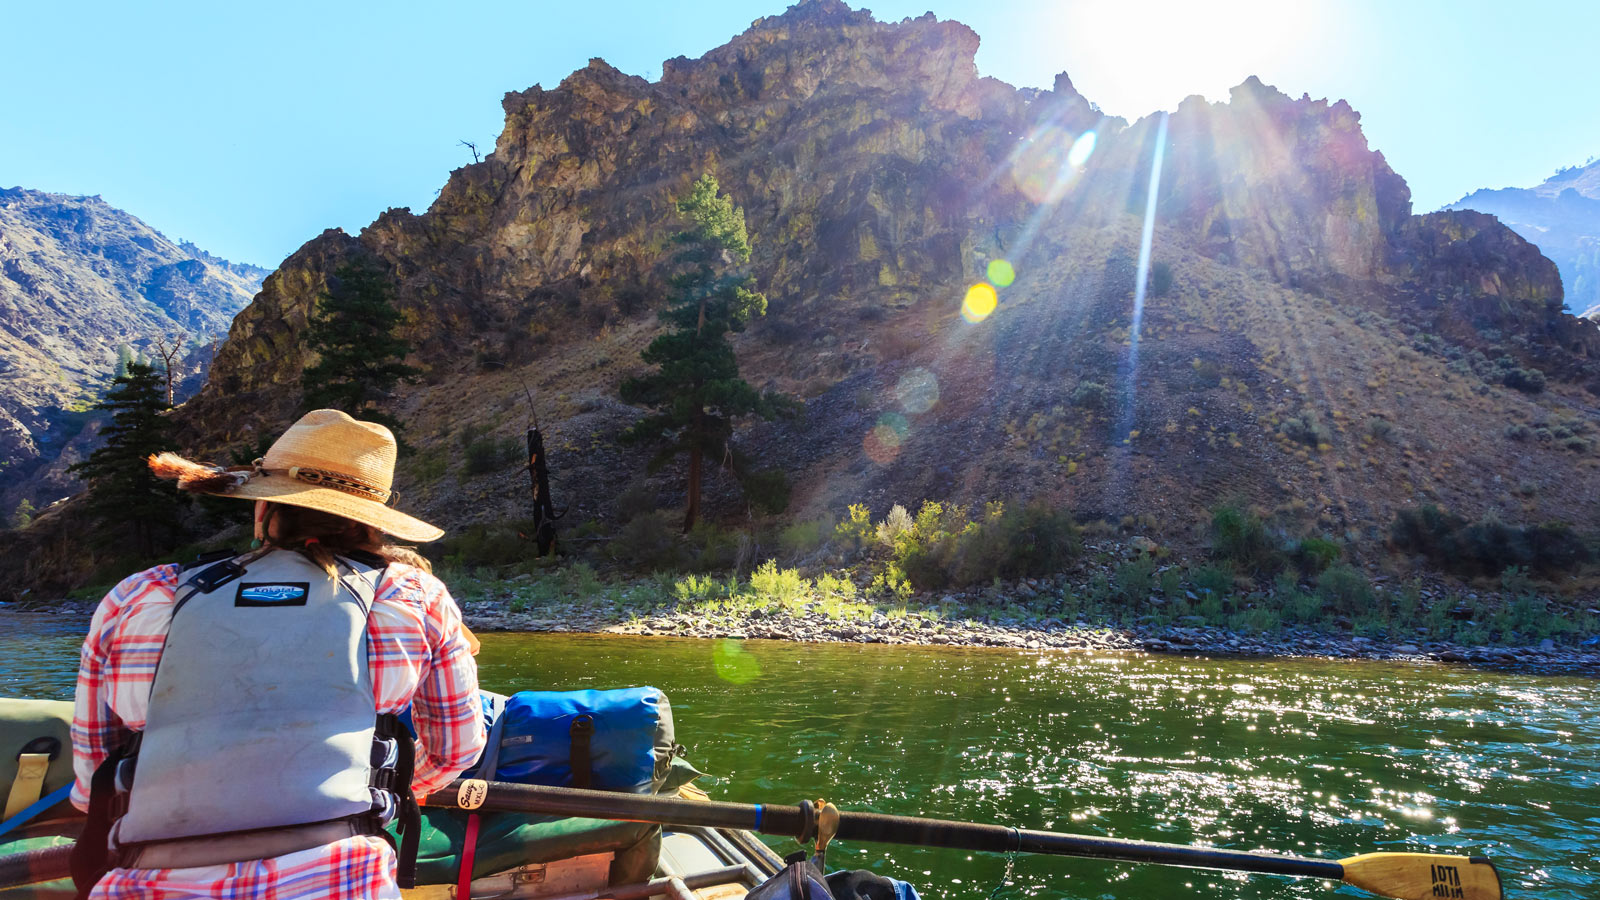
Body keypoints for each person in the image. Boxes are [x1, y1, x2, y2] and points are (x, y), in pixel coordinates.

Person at [70, 409, 487, 900]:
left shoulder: (141, 595)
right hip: (345, 879)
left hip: (145, 881)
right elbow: (456, 750)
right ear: (369, 521)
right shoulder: (413, 595)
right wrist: (378, 783)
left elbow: (93, 774)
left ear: (263, 507)